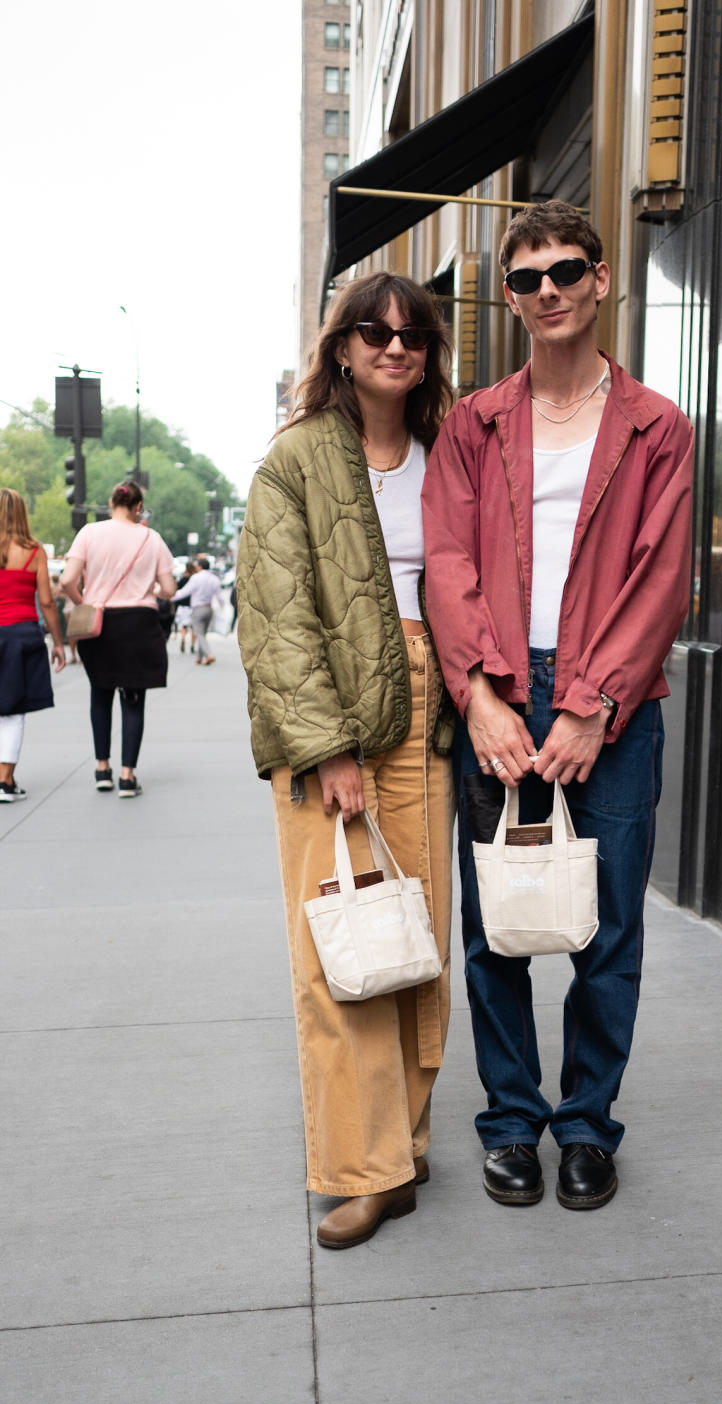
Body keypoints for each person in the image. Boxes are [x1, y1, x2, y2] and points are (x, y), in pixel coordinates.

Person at [422, 200, 694, 1210]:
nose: (549, 291)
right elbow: (446, 563)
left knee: (605, 926)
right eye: (528, 278)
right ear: (509, 296)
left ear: (602, 278)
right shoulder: (475, 423)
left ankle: (585, 1126)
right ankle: (509, 1124)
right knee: (499, 920)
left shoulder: (656, 426)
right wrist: (485, 696)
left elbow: (663, 578)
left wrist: (592, 706)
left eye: (567, 270)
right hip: (499, 684)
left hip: (608, 703)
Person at [237, 272, 456, 1250]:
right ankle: (362, 1172)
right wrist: (327, 749)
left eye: (414, 333)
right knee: (343, 943)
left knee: (413, 939)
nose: (395, 345)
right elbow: (276, 618)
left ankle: (402, 1142)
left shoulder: (443, 451)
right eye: (375, 330)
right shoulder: (295, 461)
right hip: (338, 716)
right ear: (341, 345)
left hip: (431, 708)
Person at [61, 480, 176, 797]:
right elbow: (169, 590)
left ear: (111, 504)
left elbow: (67, 580)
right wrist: (149, 589)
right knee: (134, 699)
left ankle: (102, 769)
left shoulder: (89, 533)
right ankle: (127, 776)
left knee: (100, 694)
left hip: (99, 624)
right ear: (138, 507)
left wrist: (84, 600)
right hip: (139, 623)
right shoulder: (151, 539)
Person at [0, 489, 65, 801]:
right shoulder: (33, 551)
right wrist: (59, 643)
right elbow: (47, 603)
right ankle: (5, 780)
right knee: (13, 712)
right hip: (22, 635)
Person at [169, 556, 221, 665]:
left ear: (200, 567)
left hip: (198, 609)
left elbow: (185, 591)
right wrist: (221, 608)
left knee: (199, 633)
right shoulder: (214, 579)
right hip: (209, 608)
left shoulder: (196, 578)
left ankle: (209, 654)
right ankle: (199, 657)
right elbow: (220, 597)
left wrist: (170, 597)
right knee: (203, 633)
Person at [175, 560, 198, 652]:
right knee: (194, 627)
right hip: (193, 605)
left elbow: (178, 591)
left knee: (184, 626)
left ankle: (183, 638)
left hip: (183, 606)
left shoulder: (182, 579)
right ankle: (192, 645)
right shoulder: (195, 579)